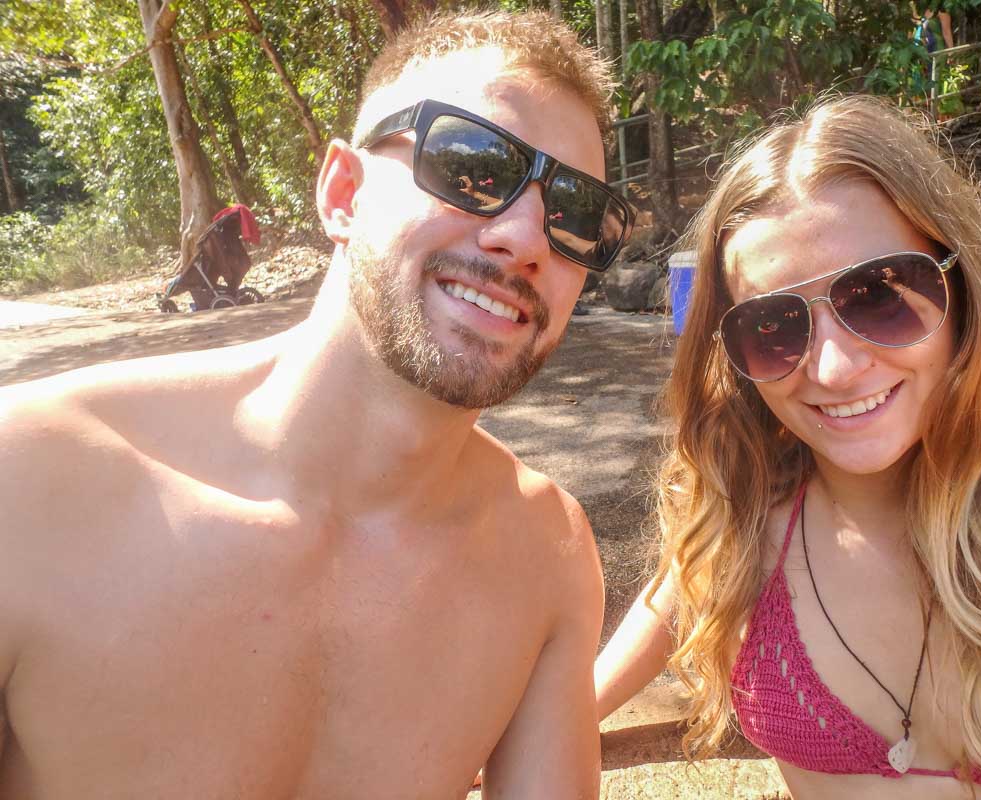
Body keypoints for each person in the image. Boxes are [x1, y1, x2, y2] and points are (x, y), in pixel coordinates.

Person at [0, 10, 633, 799]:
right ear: (342, 193)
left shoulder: (546, 555)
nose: (526, 237)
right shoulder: (30, 480)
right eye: (474, 165)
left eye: (574, 214)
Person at [595, 95, 981, 800]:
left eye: (878, 295)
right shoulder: (745, 522)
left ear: (962, 290)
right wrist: (561, 714)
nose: (832, 370)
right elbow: (670, 598)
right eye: (773, 326)